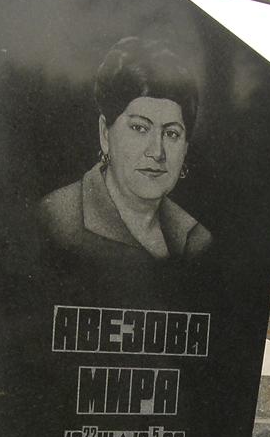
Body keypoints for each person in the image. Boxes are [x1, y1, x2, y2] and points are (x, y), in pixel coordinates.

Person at [36, 37, 212, 266]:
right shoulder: (57, 221)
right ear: (105, 134)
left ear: (185, 147)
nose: (157, 152)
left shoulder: (197, 240)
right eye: (139, 128)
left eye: (171, 134)